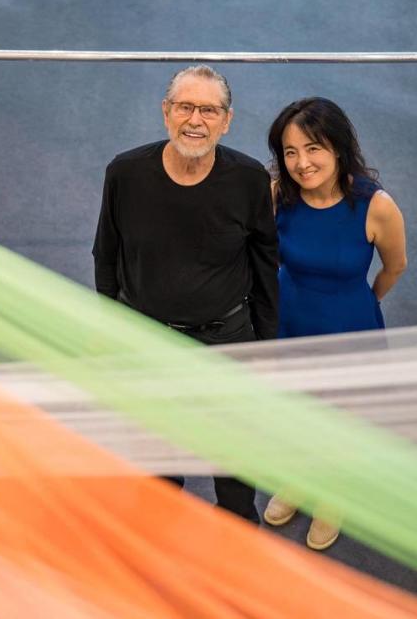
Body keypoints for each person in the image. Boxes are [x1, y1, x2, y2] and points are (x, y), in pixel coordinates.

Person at [92, 65, 278, 524]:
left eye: (209, 110)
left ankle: (236, 539)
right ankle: (163, 537)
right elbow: (106, 253)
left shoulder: (249, 180)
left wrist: (269, 347)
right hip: (147, 340)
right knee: (155, 451)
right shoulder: (125, 173)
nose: (196, 120)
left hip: (225, 339)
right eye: (185, 107)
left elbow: (264, 262)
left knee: (233, 456)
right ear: (166, 112)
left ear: (227, 120)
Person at [263, 97, 407, 549]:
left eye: (313, 148)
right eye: (290, 152)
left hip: (349, 325)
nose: (301, 163)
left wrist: (361, 304)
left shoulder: (376, 206)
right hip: (291, 319)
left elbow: (394, 267)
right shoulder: (276, 195)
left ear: (339, 148)